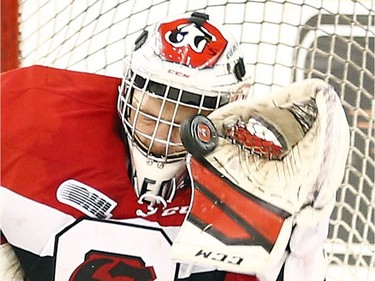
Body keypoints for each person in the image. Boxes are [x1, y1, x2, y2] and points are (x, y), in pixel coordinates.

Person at [0, 11, 350, 281]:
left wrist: (306, 236)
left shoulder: (255, 191)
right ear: (127, 90)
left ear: (228, 113)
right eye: (154, 106)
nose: (164, 128)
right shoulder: (29, 115)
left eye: (186, 112)